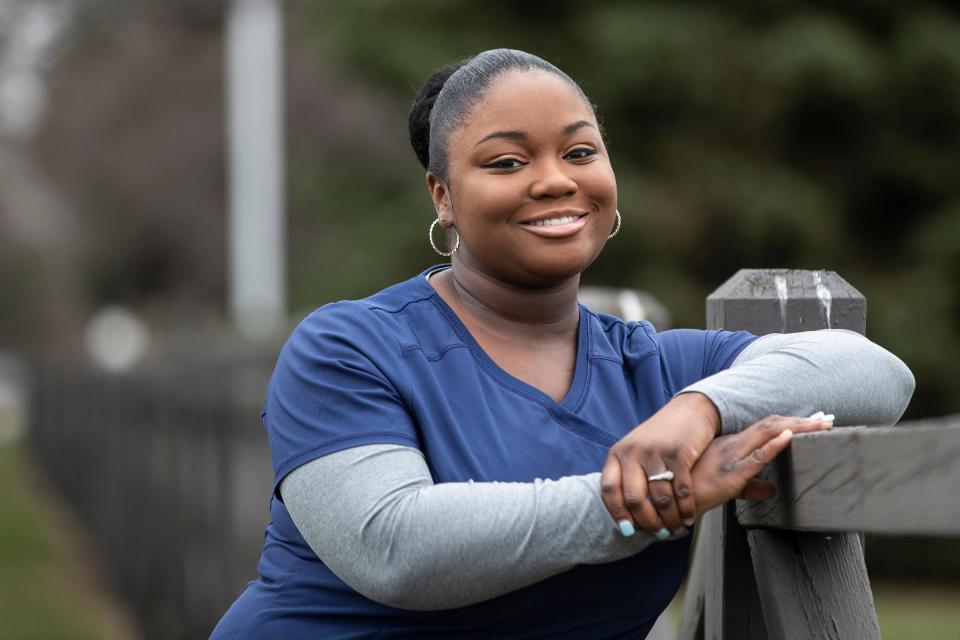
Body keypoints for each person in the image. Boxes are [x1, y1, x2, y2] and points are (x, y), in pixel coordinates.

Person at [211, 49, 914, 639]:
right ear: (443, 196)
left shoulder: (656, 369)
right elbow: (398, 550)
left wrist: (697, 410)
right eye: (506, 162)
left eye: (580, 151)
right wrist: (650, 499)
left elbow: (877, 374)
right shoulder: (347, 348)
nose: (554, 179)